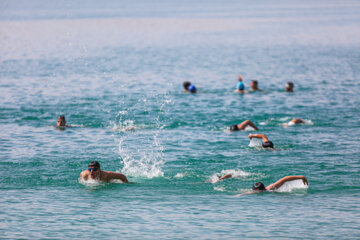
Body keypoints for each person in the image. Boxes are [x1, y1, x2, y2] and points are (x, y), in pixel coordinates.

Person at [216, 174, 308, 191]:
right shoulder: (261, 190)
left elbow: (285, 179)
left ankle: (223, 177)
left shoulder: (272, 187)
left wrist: (301, 177)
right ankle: (223, 177)